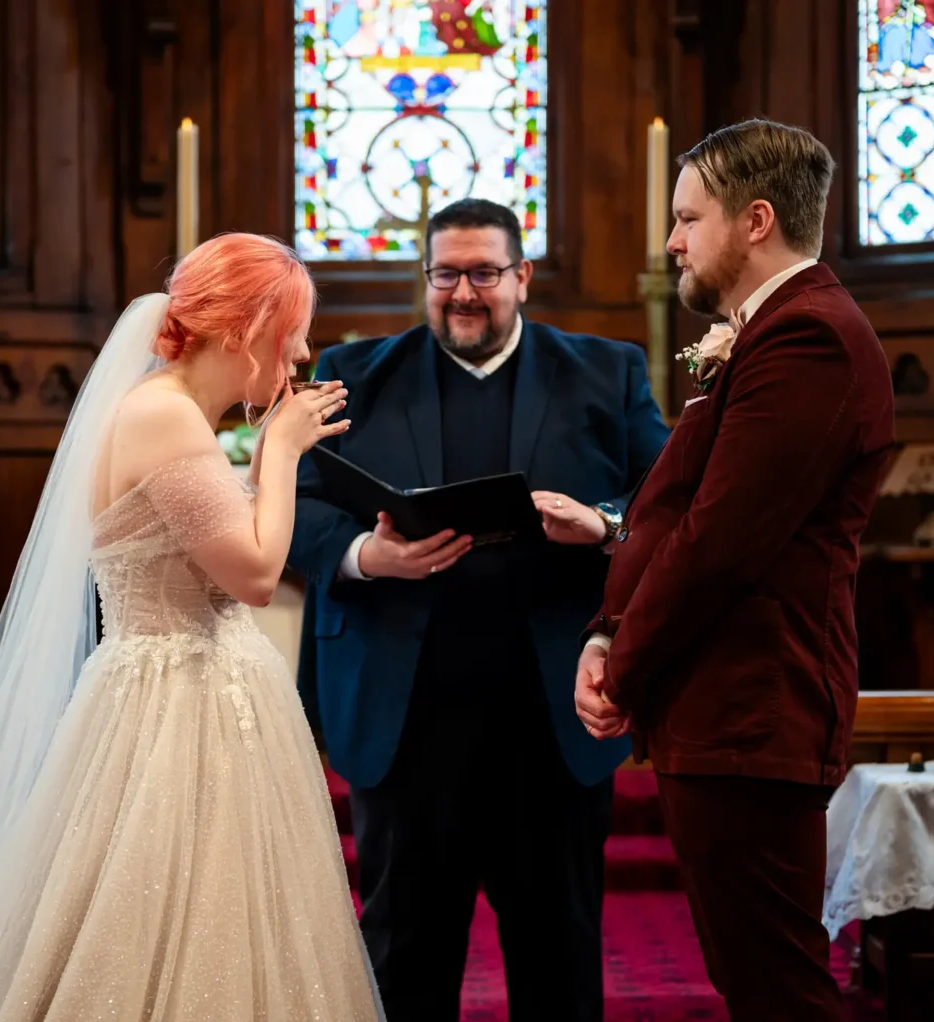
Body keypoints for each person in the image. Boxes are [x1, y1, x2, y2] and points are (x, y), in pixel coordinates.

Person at [0, 233, 384, 1021]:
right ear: (247, 332)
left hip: (193, 695)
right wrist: (279, 453)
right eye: (292, 338)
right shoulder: (163, 417)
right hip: (176, 713)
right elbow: (252, 574)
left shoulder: (166, 415)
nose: (299, 359)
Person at [290, 198, 670, 1021]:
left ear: (522, 277)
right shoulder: (356, 372)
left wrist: (604, 526)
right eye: (446, 274)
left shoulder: (606, 372)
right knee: (403, 956)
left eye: (485, 274)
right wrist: (366, 555)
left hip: (551, 724)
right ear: (425, 279)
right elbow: (298, 506)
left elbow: (675, 503)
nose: (464, 293)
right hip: (407, 723)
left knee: (558, 959)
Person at [576, 119, 896, 1021]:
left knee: (779, 988)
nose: (672, 242)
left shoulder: (810, 342)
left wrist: (624, 668)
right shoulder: (769, 333)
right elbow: (670, 513)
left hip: (755, 707)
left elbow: (719, 544)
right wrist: (605, 632)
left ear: (756, 221)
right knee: (752, 979)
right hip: (724, 711)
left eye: (688, 218)